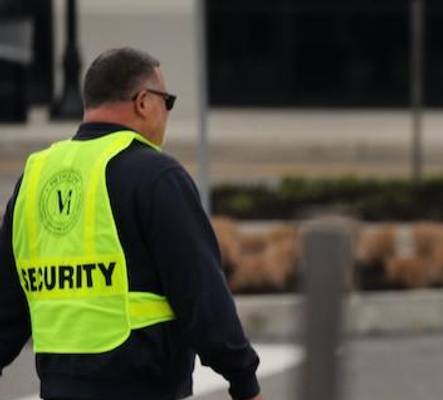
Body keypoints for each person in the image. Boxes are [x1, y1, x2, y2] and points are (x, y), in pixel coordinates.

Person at [0, 47, 263, 400]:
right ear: (143, 101)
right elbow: (200, 292)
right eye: (166, 101)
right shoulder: (156, 175)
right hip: (141, 387)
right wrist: (244, 381)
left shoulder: (34, 178)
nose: (167, 113)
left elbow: (6, 305)